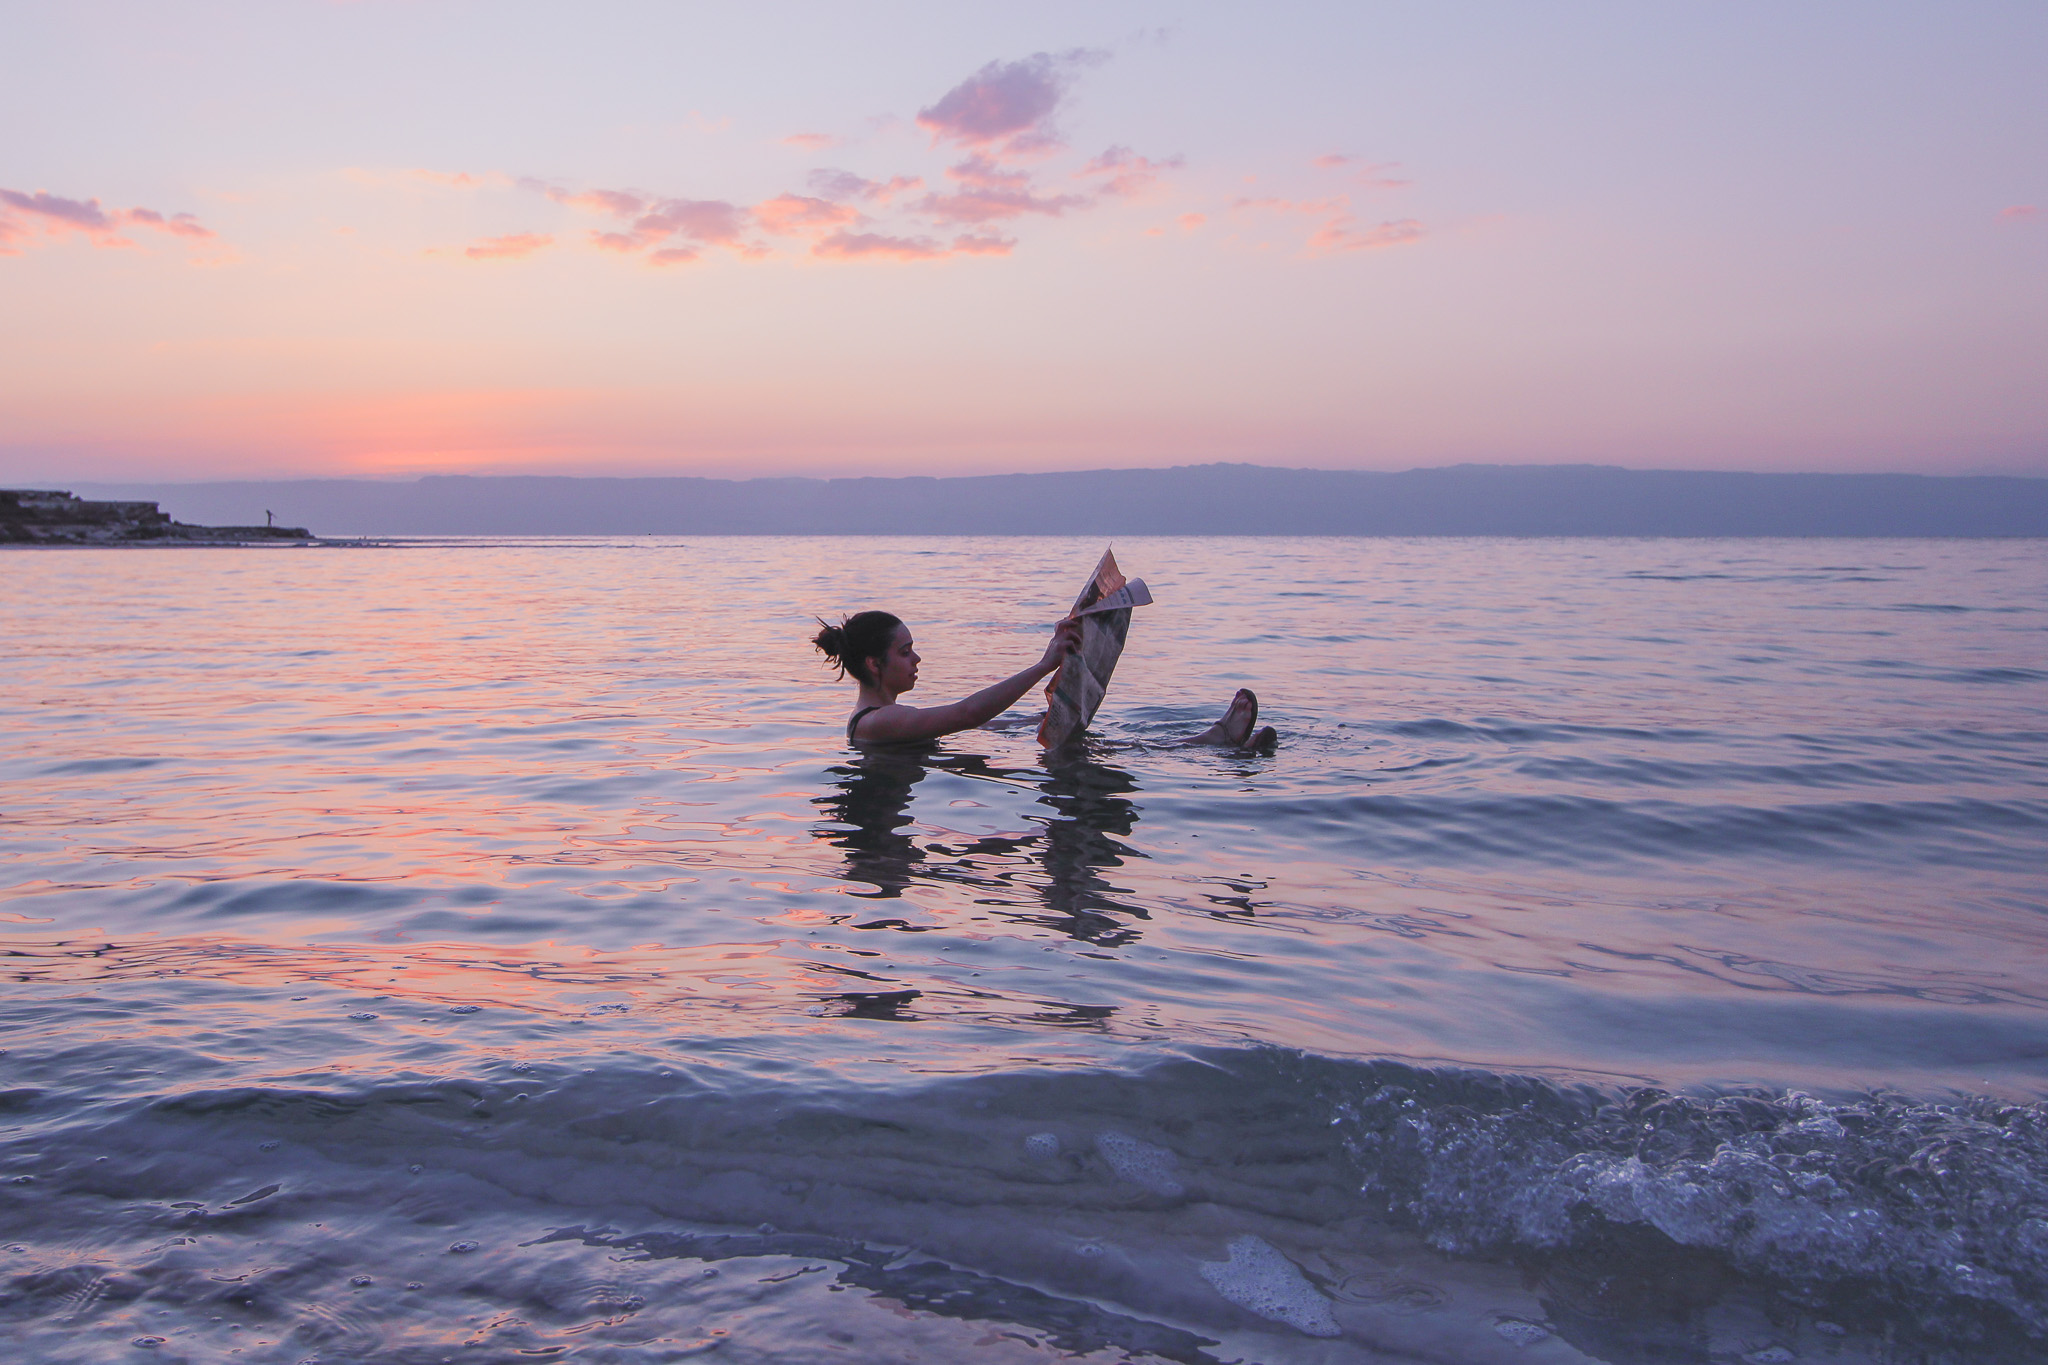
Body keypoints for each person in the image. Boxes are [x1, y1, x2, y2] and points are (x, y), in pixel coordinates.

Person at [813, 611, 1275, 750]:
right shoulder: (876, 724)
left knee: (1074, 738)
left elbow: (979, 723)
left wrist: (1051, 707)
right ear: (874, 665)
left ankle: (1214, 742)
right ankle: (1213, 743)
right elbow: (966, 714)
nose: (917, 659)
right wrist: (1043, 666)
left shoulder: (888, 718)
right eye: (905, 651)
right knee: (1084, 755)